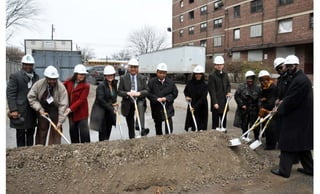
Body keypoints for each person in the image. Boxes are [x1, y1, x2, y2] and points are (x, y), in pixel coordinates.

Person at [271, 55, 313, 178]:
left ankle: (284, 170)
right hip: (300, 116)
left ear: (296, 65)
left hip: (297, 116)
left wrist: (278, 110)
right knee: (302, 142)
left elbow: (291, 100)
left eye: (290, 66)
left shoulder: (300, 80)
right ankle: (310, 169)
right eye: (287, 66)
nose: (288, 68)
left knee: (287, 141)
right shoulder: (296, 77)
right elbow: (287, 96)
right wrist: (281, 101)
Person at [27, 65, 69, 145]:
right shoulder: (39, 85)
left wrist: (60, 121)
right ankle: (39, 148)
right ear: (46, 78)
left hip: (55, 110)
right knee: (41, 130)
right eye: (50, 79)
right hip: (43, 109)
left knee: (56, 130)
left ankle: (54, 149)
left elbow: (63, 105)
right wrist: (39, 109)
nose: (52, 81)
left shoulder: (61, 88)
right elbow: (31, 97)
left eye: (54, 79)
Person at [6, 54, 40, 147]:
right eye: (26, 64)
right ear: (22, 64)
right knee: (20, 133)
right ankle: (20, 153)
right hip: (20, 110)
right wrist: (13, 110)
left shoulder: (36, 77)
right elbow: (11, 94)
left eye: (30, 64)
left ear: (33, 65)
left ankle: (29, 153)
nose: (28, 66)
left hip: (32, 110)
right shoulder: (15, 76)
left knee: (31, 132)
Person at [118, 58, 149, 139]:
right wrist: (127, 93)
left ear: (137, 68)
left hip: (139, 100)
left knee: (140, 105)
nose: (133, 69)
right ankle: (132, 139)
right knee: (130, 123)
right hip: (128, 102)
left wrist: (139, 93)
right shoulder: (123, 78)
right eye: (131, 67)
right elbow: (119, 91)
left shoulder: (142, 78)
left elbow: (147, 91)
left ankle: (141, 128)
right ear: (128, 68)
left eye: (135, 67)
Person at [147, 63, 178, 135]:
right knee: (158, 125)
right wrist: (156, 99)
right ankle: (159, 139)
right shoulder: (152, 82)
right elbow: (148, 93)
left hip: (168, 106)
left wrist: (166, 98)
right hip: (156, 107)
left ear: (166, 73)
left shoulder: (170, 82)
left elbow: (175, 93)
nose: (162, 75)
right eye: (160, 73)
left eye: (164, 73)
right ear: (157, 72)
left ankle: (169, 137)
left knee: (169, 124)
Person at [63, 64, 90, 143]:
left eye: (84, 74)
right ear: (75, 74)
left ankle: (86, 148)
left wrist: (70, 109)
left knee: (84, 133)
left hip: (81, 113)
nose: (82, 76)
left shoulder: (86, 86)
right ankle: (75, 147)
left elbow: (82, 99)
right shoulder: (69, 82)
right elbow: (61, 88)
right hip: (71, 113)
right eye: (80, 74)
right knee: (73, 131)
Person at [90, 65, 118, 141]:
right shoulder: (101, 86)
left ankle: (106, 148)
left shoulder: (114, 85)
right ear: (105, 76)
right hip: (102, 113)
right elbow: (100, 100)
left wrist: (115, 105)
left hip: (109, 113)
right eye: (108, 75)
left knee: (108, 133)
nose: (110, 76)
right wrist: (111, 108)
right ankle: (102, 149)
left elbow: (113, 98)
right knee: (103, 135)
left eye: (112, 75)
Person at [233, 70, 259, 141]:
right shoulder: (241, 86)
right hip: (244, 109)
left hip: (254, 110)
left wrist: (259, 108)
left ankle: (256, 138)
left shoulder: (257, 88)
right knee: (244, 124)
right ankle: (245, 137)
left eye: (251, 78)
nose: (250, 80)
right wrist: (242, 104)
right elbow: (236, 96)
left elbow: (259, 99)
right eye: (248, 78)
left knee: (255, 125)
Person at [208, 56, 232, 131]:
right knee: (215, 122)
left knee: (223, 121)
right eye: (217, 64)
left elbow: (228, 85)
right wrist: (215, 102)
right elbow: (212, 90)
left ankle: (223, 136)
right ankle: (215, 137)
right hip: (216, 103)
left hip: (224, 101)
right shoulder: (212, 76)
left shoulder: (225, 74)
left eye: (221, 64)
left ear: (223, 65)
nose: (219, 66)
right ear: (215, 65)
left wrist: (228, 92)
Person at [183, 65, 208, 132]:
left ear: (202, 75)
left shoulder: (204, 85)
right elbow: (185, 91)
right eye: (196, 74)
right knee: (193, 123)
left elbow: (203, 98)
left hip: (201, 107)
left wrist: (195, 107)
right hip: (192, 104)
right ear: (194, 74)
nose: (198, 75)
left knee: (200, 125)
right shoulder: (190, 83)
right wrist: (187, 96)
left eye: (200, 74)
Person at [257, 70, 277, 149]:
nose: (263, 81)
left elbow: (271, 101)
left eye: (265, 79)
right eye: (261, 80)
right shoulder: (263, 87)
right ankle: (268, 142)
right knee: (266, 126)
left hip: (272, 111)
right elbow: (261, 97)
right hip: (265, 110)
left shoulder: (272, 87)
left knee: (270, 128)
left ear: (268, 79)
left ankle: (271, 145)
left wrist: (264, 107)